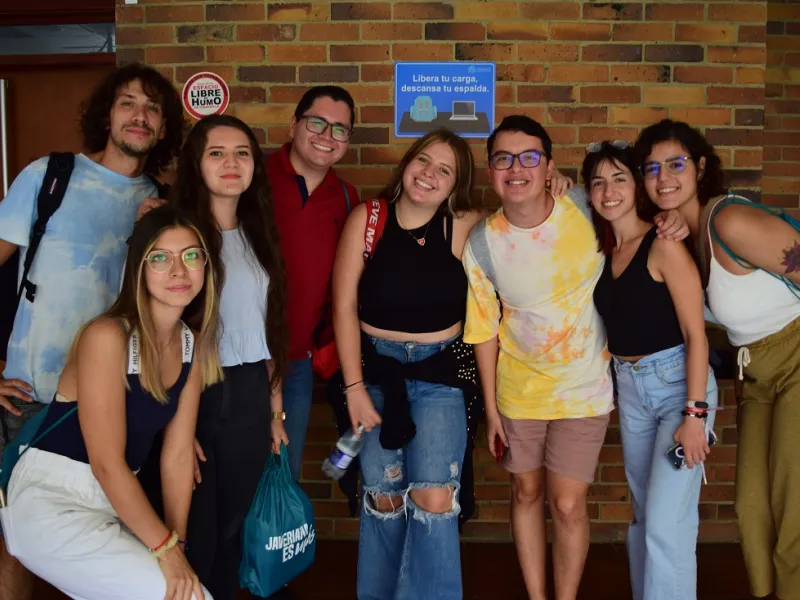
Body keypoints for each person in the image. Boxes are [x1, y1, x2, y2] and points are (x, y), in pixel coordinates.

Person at [464, 115, 689, 600]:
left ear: (549, 168)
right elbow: (482, 330)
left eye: (529, 157)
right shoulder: (481, 242)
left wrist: (676, 219)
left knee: (567, 504)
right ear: (490, 170)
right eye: (503, 159)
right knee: (525, 493)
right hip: (518, 392)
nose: (516, 168)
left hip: (584, 389)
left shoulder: (586, 206)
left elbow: (638, 210)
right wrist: (491, 410)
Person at [0, 63, 185, 600]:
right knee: (16, 543)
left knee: (109, 542)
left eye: (152, 108)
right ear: (107, 115)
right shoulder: (49, 177)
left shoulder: (163, 205)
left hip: (121, 403)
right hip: (32, 395)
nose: (140, 116)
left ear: (163, 127)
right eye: (128, 103)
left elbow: (169, 308)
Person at [1, 205, 221, 600]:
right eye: (160, 258)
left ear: (206, 265)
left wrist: (178, 545)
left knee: (181, 589)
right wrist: (166, 551)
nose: (178, 270)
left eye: (191, 255)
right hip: (50, 500)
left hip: (111, 504)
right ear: (139, 268)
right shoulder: (108, 336)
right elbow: (106, 463)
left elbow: (176, 458)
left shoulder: (191, 345)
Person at [637, 119, 800, 600]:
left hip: (795, 359)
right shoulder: (684, 237)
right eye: (651, 168)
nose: (663, 177)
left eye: (676, 164)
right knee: (750, 506)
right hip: (755, 377)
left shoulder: (729, 221)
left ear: (701, 167)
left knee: (793, 505)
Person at [332, 128, 484, 599]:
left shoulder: (461, 226)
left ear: (456, 185)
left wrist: (562, 190)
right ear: (407, 163)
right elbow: (343, 307)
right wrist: (353, 388)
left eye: (445, 170)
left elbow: (530, 220)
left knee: (435, 499)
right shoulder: (368, 219)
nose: (429, 174)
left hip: (440, 375)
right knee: (384, 499)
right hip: (376, 374)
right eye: (423, 161)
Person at [584, 140, 717, 600]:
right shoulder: (604, 253)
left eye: (619, 178)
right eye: (598, 182)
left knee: (665, 522)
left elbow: (696, 335)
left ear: (637, 184)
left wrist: (695, 415)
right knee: (645, 516)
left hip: (679, 386)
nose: (609, 191)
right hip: (631, 391)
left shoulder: (663, 244)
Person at [173, 115, 290, 600]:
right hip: (193, 392)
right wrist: (177, 427)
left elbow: (267, 328)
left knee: (234, 523)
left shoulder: (257, 232)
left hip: (247, 391)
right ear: (196, 164)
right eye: (216, 153)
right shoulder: (176, 233)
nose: (231, 163)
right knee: (198, 528)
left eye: (242, 153)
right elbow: (155, 333)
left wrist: (275, 412)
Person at [267, 85, 359, 483]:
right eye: (317, 123)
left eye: (339, 129)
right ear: (294, 125)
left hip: (297, 364)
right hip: (238, 360)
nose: (327, 136)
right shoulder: (252, 175)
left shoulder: (347, 197)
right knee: (230, 477)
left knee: (284, 476)